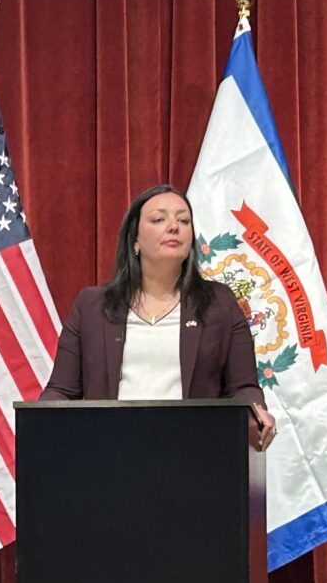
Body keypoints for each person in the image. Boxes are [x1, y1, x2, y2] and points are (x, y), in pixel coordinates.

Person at [39, 183, 277, 450]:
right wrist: (37, 423)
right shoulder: (93, 305)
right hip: (107, 451)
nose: (174, 226)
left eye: (183, 221)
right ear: (135, 240)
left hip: (193, 452)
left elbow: (243, 387)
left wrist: (255, 411)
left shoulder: (219, 303)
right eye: (158, 219)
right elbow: (62, 390)